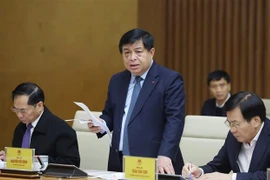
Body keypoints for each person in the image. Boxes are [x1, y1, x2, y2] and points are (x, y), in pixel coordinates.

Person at [88, 28, 185, 174]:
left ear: (151, 52)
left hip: (154, 160)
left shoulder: (169, 80)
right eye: (127, 53)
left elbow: (175, 120)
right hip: (119, 160)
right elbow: (110, 113)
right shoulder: (117, 80)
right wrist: (101, 124)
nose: (132, 58)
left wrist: (165, 154)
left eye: (138, 52)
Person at [182, 91, 270, 180]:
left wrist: (232, 177)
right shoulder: (234, 136)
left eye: (236, 124)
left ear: (256, 121)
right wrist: (200, 172)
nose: (232, 130)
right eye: (229, 123)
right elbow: (218, 166)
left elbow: (267, 176)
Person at [0, 82, 80, 167]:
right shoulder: (21, 128)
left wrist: (33, 160)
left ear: (39, 106)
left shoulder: (62, 130)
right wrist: (10, 157)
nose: (19, 115)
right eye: (16, 109)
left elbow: (72, 163)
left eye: (23, 111)